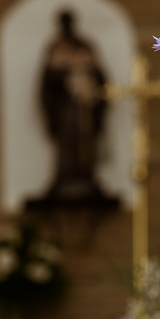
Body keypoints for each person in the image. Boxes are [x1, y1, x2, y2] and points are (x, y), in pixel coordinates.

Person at [39, 11, 110, 202]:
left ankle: (86, 175)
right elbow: (47, 84)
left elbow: (101, 78)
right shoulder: (55, 47)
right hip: (66, 108)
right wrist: (65, 75)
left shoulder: (85, 46)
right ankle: (65, 177)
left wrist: (89, 85)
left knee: (85, 140)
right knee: (67, 141)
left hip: (85, 106)